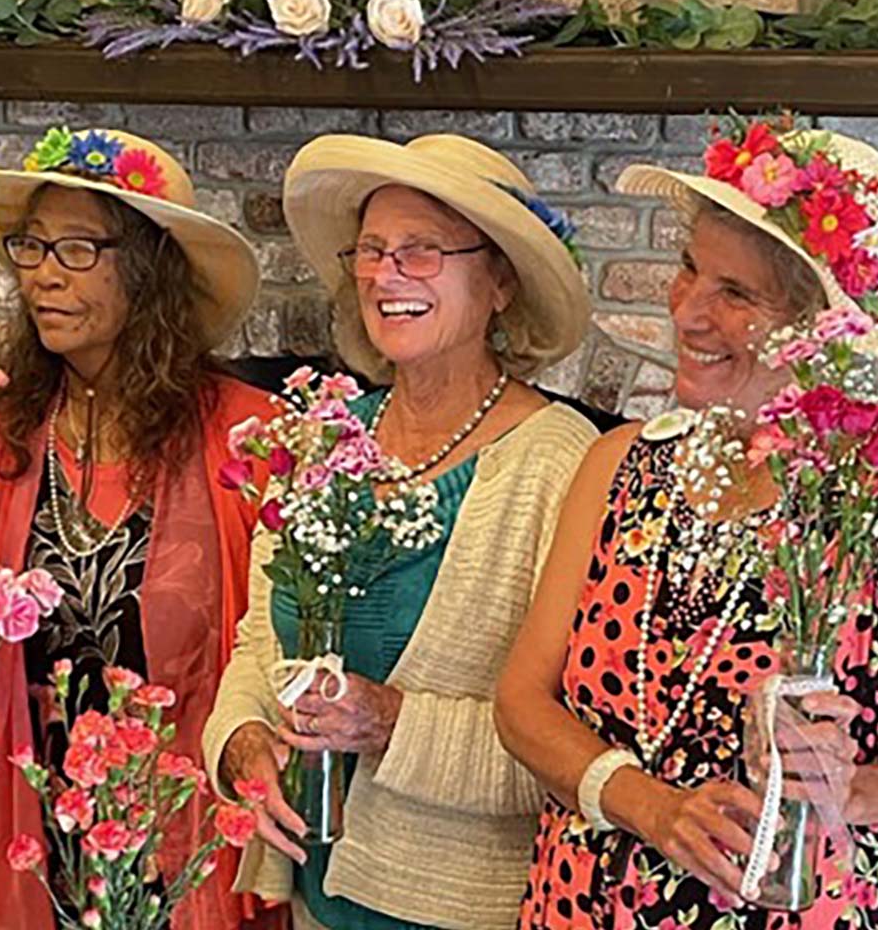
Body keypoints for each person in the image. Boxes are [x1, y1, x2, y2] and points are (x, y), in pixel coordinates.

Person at [495, 124, 878, 929]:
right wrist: (646, 806)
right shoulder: (619, 467)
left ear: (820, 332)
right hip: (590, 903)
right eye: (690, 267)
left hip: (809, 906)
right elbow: (522, 701)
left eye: (736, 294)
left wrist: (858, 789)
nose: (689, 311)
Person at [202, 134, 598, 930]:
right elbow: (259, 644)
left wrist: (388, 720)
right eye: (373, 251)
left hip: (469, 908)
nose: (386, 276)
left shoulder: (563, 463)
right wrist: (240, 738)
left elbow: (577, 745)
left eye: (422, 253)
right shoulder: (325, 434)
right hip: (316, 896)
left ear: (500, 283)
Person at [0, 128, 284, 930]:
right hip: (50, 837)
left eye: (76, 249)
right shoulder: (1, 437)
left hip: (197, 839)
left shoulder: (246, 437)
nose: (42, 275)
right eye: (31, 247)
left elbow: (277, 646)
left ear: (146, 268)